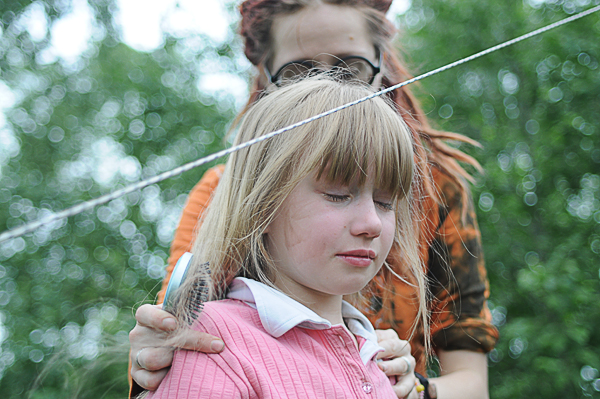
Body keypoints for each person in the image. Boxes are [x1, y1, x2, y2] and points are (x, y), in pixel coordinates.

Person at [129, 1, 499, 398]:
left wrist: (412, 389)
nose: (329, 88)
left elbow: (472, 382)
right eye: (298, 73)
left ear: (382, 66)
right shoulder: (223, 192)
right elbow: (184, 332)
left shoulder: (435, 187)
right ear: (264, 78)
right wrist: (156, 353)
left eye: (351, 68)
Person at [140, 76, 425, 398]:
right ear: (262, 206)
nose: (371, 222)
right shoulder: (214, 343)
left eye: (386, 202)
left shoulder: (384, 360)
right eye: (337, 194)